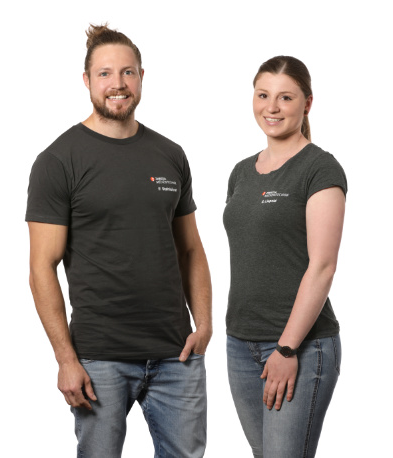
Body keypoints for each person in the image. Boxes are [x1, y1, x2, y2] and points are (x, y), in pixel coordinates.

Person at [26, 24, 212, 458]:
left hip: (176, 355)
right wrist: (66, 360)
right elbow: (41, 267)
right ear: (87, 80)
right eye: (105, 74)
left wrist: (203, 325)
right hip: (99, 358)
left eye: (128, 72)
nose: (118, 84)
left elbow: (190, 249)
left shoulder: (170, 154)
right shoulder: (58, 161)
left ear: (141, 77)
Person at [223, 56, 347, 458]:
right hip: (240, 344)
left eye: (285, 97)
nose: (271, 107)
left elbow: (323, 267)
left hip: (300, 347)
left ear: (307, 103)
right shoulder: (241, 172)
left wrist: (287, 349)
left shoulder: (319, 169)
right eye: (263, 95)